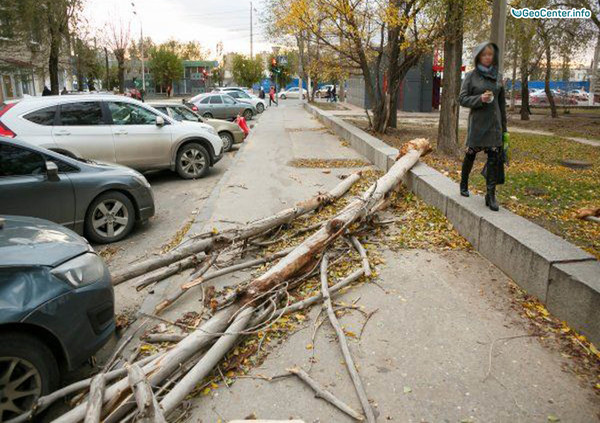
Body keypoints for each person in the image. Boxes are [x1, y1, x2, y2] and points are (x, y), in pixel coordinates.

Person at [458, 41, 507, 212]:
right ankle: (463, 184)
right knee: (471, 154)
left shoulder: (499, 76)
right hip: (478, 124)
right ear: (479, 56)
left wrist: (504, 129)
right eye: (484, 54)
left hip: (494, 125)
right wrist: (480, 99)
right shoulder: (471, 76)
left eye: (490, 55)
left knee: (494, 158)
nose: (488, 58)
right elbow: (462, 99)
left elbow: (502, 105)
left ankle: (490, 195)